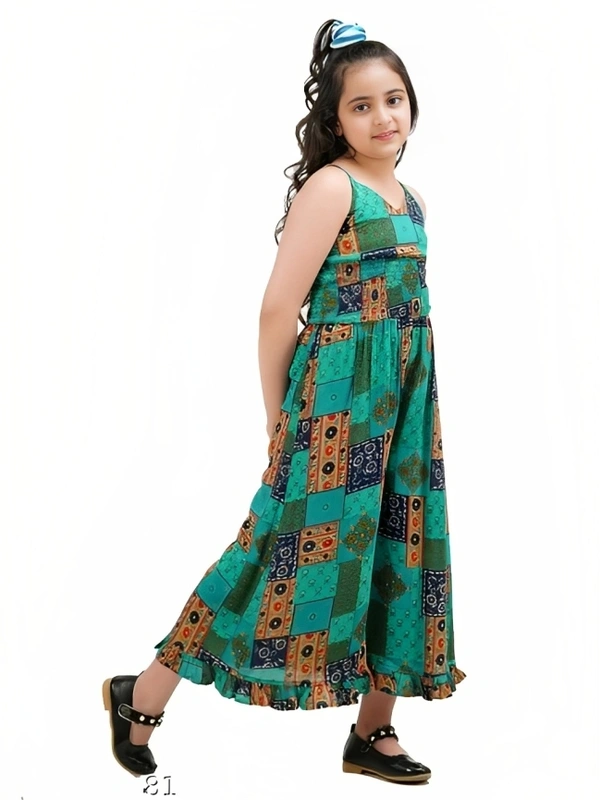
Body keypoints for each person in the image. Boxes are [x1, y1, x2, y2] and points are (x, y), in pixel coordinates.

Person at [102, 18, 466, 786]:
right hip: (333, 406)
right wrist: (279, 421)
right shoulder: (333, 187)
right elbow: (277, 313)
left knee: (399, 543)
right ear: (335, 119)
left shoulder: (414, 200)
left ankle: (372, 730)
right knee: (268, 545)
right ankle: (143, 693)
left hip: (403, 403)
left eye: (394, 99)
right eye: (361, 105)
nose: (383, 117)